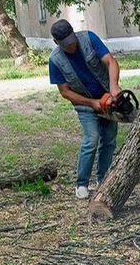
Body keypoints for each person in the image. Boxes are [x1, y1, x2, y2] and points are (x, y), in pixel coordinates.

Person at [48, 19, 123, 199]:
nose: (71, 46)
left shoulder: (89, 38)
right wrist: (91, 103)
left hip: (107, 97)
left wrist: (114, 87)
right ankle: (81, 183)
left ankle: (103, 178)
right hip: (84, 105)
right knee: (92, 139)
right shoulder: (55, 60)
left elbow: (110, 61)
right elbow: (65, 92)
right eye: (66, 45)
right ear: (57, 43)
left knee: (109, 139)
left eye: (72, 41)